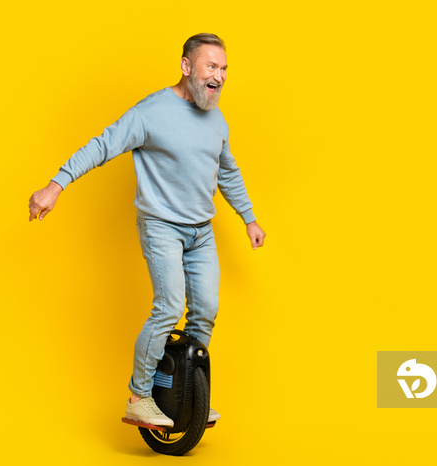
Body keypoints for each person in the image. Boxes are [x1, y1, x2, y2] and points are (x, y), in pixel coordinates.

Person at [28, 33, 266, 427]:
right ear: (187, 67)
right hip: (161, 226)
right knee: (169, 307)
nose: (220, 76)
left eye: (224, 69)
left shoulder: (217, 118)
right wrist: (56, 185)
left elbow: (227, 171)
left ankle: (187, 391)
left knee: (205, 311)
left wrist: (249, 217)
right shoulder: (151, 113)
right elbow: (101, 145)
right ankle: (140, 396)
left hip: (201, 231)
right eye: (212, 66)